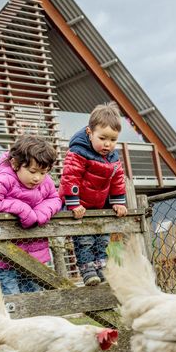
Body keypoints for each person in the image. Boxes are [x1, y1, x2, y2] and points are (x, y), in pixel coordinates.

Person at [0, 135, 61, 294]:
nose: (37, 178)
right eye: (32, 171)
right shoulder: (6, 178)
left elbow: (55, 199)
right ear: (16, 164)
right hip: (3, 257)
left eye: (43, 172)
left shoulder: (46, 182)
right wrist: (21, 208)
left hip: (33, 257)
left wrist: (41, 213)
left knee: (35, 299)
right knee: (12, 302)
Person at [60, 102, 127, 286]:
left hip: (99, 206)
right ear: (90, 133)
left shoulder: (113, 158)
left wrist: (118, 202)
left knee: (102, 238)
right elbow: (70, 177)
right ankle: (87, 268)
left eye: (113, 140)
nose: (107, 144)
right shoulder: (78, 152)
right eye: (103, 138)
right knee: (84, 240)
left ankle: (102, 267)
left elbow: (117, 180)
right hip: (80, 205)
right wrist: (73, 203)